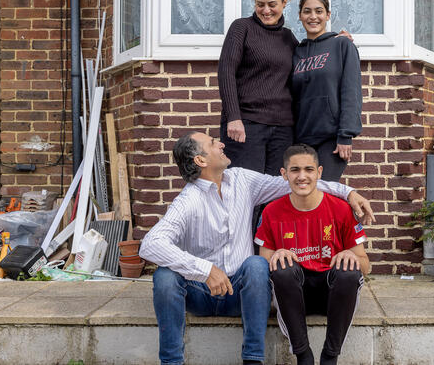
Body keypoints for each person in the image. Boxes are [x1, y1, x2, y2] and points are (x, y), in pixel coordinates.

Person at [139, 132, 374, 365]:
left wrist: (348, 192)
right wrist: (205, 270)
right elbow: (150, 244)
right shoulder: (187, 200)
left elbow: (296, 182)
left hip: (239, 293)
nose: (221, 143)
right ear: (201, 161)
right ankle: (171, 362)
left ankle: (253, 360)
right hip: (200, 292)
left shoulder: (241, 180)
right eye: (212, 143)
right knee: (164, 277)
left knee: (256, 264)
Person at [254, 144, 370, 365]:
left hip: (331, 292)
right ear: (284, 174)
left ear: (319, 172)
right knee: (282, 267)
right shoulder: (272, 211)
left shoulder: (341, 209)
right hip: (295, 293)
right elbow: (263, 262)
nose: (302, 176)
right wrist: (277, 254)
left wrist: (351, 256)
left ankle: (330, 356)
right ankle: (303, 355)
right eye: (295, 170)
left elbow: (366, 266)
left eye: (309, 169)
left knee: (348, 271)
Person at [218, 0, 298, 177]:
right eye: (260, 5)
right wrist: (233, 117)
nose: (266, 10)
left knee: (275, 192)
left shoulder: (289, 38)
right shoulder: (241, 28)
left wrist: (336, 43)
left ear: (284, 3)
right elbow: (226, 72)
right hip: (246, 125)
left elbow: (310, 60)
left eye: (272, 5)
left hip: (282, 128)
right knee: (245, 191)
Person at [291, 0, 363, 182]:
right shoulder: (296, 52)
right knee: (302, 195)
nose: (313, 17)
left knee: (323, 190)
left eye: (319, 11)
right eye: (307, 11)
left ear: (328, 15)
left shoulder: (342, 45)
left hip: (331, 138)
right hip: (301, 138)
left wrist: (345, 135)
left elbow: (351, 92)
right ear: (300, 15)